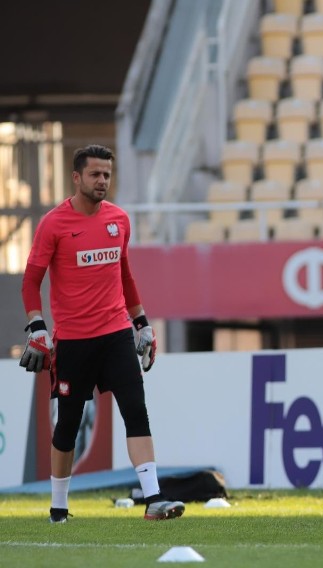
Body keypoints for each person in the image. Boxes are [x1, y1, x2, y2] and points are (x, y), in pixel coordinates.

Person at [19, 144, 185, 523]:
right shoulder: (53, 224)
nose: (102, 181)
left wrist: (141, 323)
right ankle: (59, 507)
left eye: (107, 175)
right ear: (76, 177)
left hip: (116, 335)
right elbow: (31, 281)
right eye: (95, 174)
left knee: (136, 411)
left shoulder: (120, 220)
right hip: (73, 341)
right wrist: (37, 326)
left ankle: (153, 498)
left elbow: (125, 275)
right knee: (69, 424)